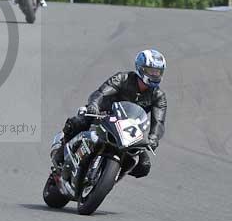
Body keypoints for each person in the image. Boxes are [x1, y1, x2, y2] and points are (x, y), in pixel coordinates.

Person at [52, 49, 167, 178]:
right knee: (78, 122)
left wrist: (153, 138)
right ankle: (60, 153)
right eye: (151, 71)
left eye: (158, 72)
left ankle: (111, 175)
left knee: (144, 166)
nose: (155, 75)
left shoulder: (159, 96)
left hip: (129, 131)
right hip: (104, 115)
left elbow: (159, 122)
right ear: (141, 68)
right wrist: (94, 105)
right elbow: (101, 93)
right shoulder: (122, 78)